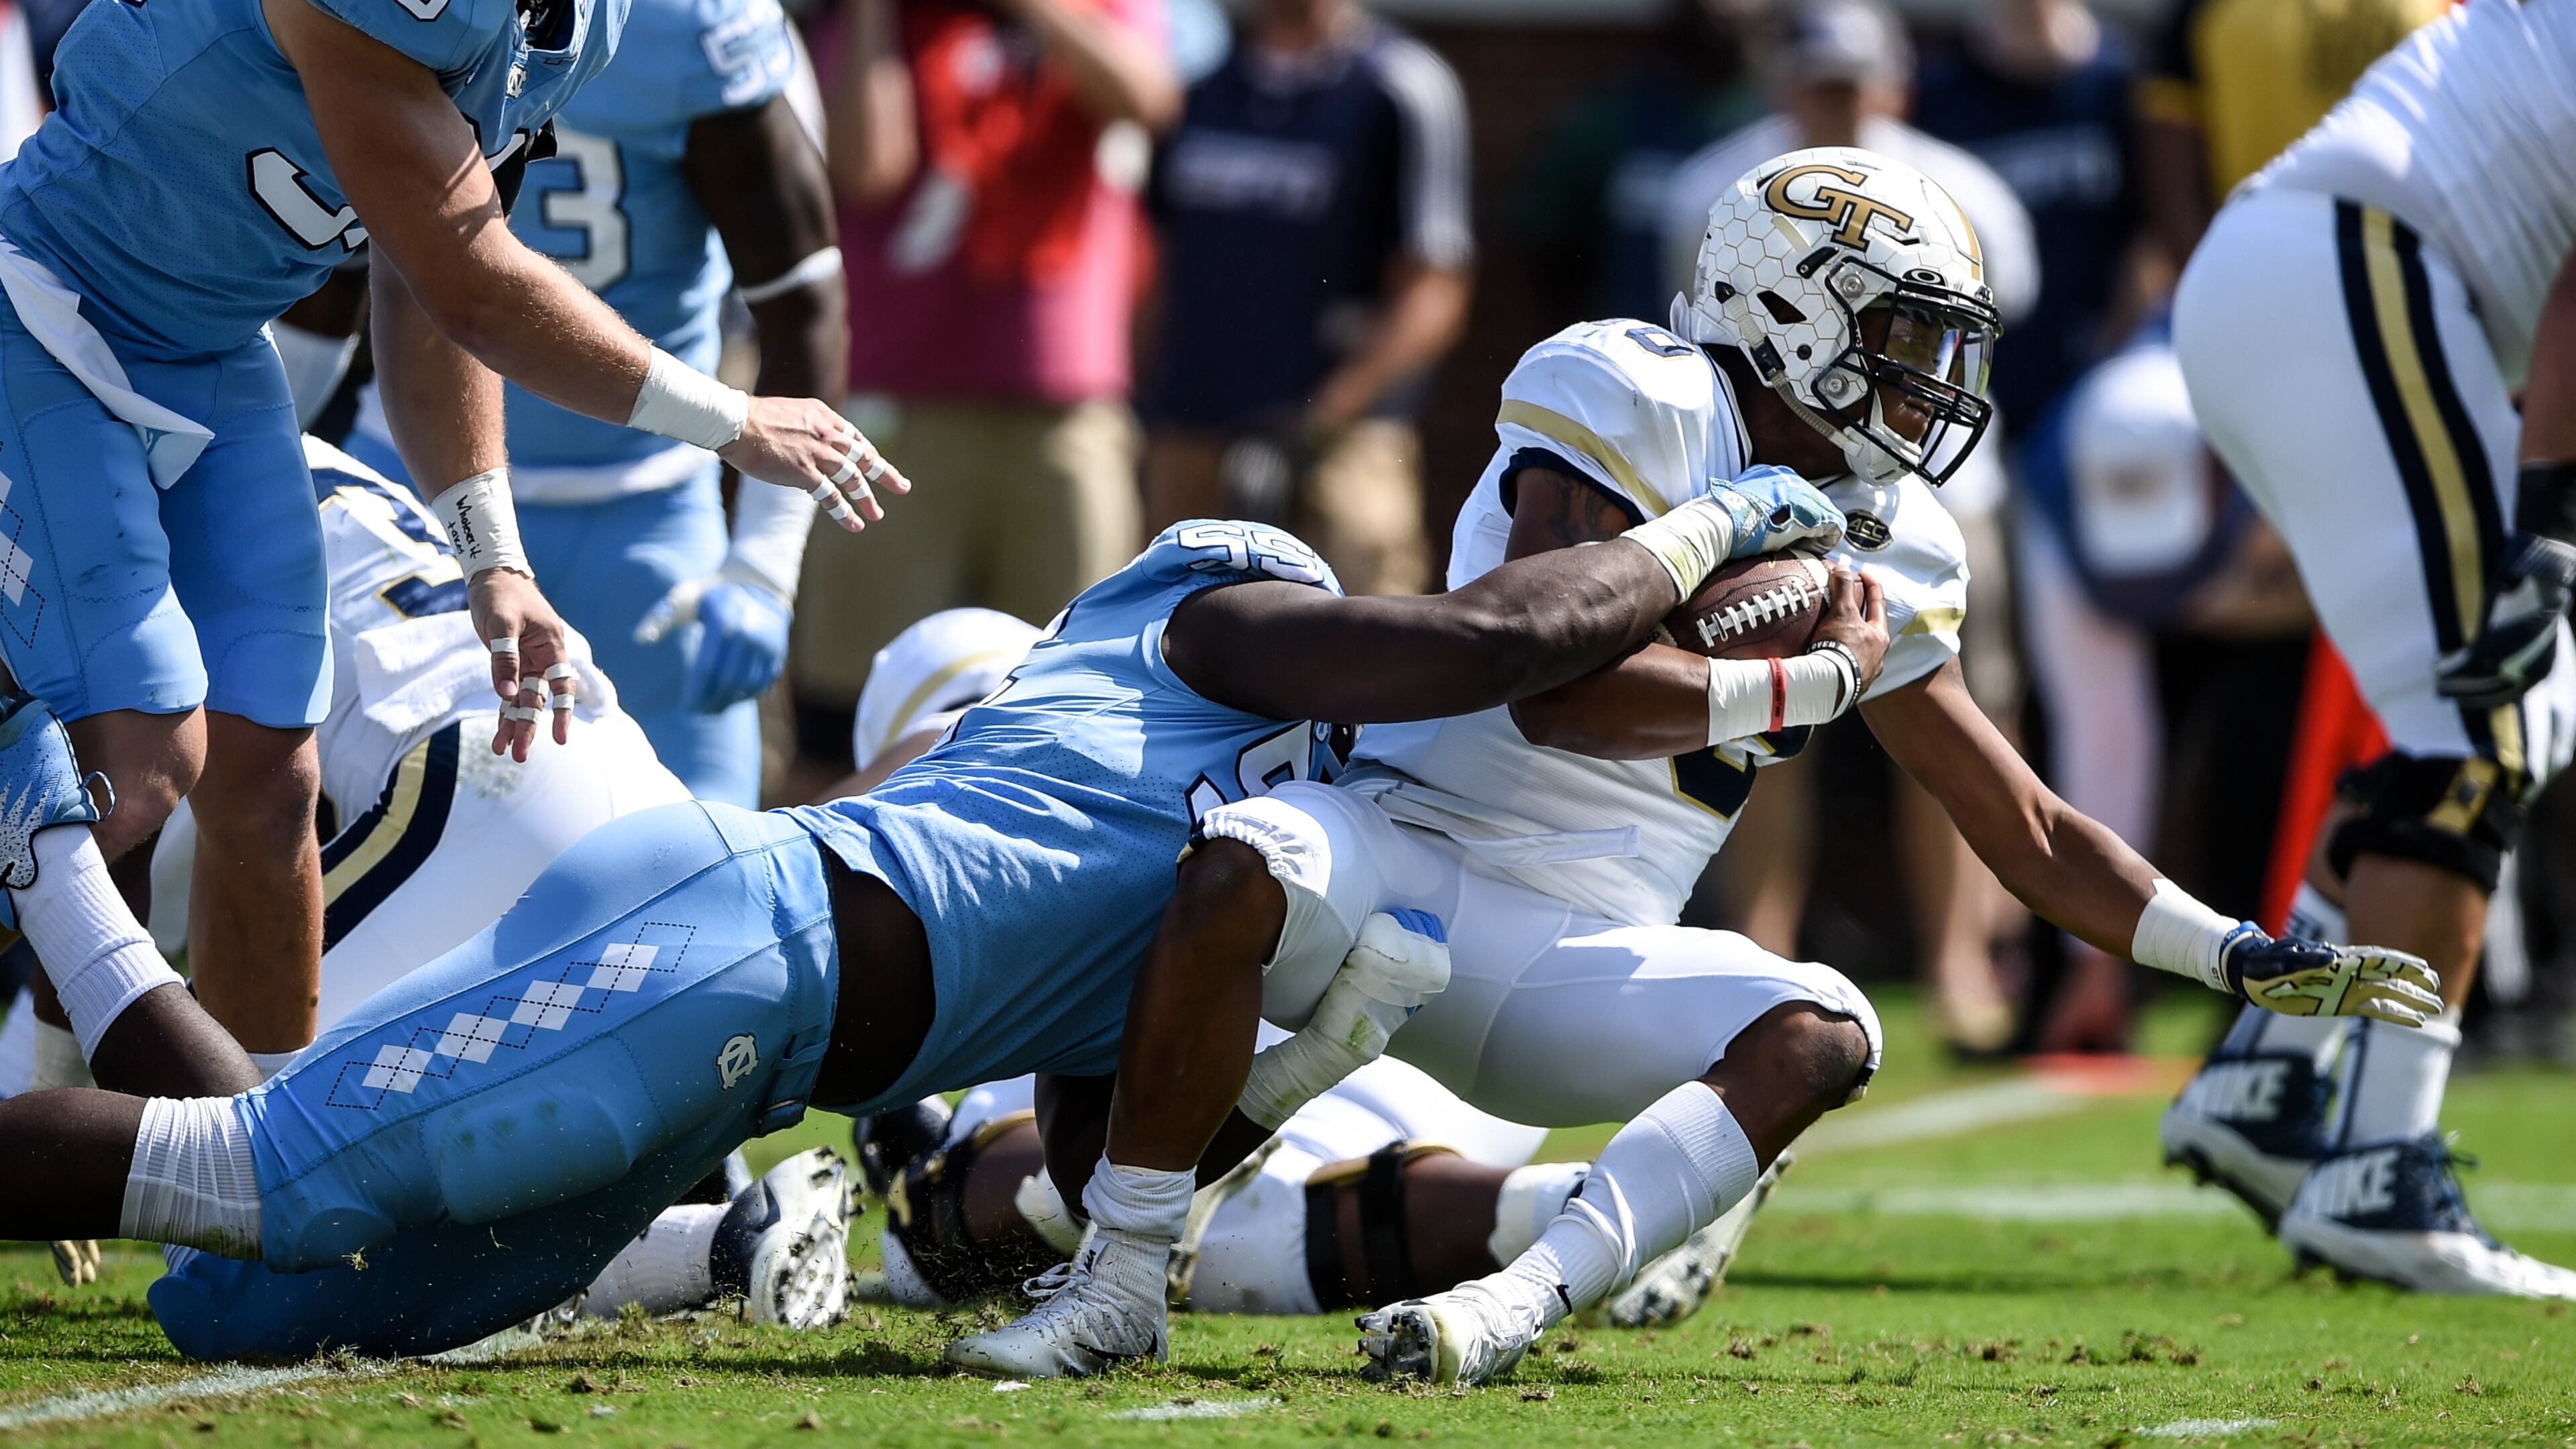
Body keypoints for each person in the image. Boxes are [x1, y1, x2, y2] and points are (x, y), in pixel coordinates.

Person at [951, 149, 2439, 1385]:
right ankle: (1117, 1285)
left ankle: (1509, 1308)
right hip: (1401, 843)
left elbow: (2027, 824)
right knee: (1246, 860)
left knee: (1825, 1027)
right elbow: (1558, 701)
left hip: (1572, 951)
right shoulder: (1636, 392)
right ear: (1790, 306)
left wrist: (2237, 953)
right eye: (1901, 336)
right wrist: (1808, 679)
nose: (1928, 383)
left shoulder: (1893, 537)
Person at [0, 477, 1818, 1361]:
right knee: (264, 1175)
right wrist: (1722, 523)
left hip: (739, 1063)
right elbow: (1483, 643)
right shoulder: (1213, 622)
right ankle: (51, 855)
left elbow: (1106, 1169)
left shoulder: (1234, 860)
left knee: (245, 1309)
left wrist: (1296, 1066)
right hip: (733, 943)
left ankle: (60, 898)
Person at [0, 0, 893, 1080]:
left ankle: (252, 1196)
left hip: (212, 347)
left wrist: (490, 552)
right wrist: (736, 421)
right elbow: (477, 291)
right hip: (47, 305)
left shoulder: (578, 24)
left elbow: (432, 280)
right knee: (144, 758)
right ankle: (56, 1079)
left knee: (273, 775)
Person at [2165, 0, 2576, 1297]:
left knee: (2528, 705)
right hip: (2350, 263)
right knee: (2486, 720)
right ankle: (2381, 1170)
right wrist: (2554, 520)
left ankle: (2272, 1070)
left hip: (2323, 275)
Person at [343, 0, 851, 808]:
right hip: (421, 481)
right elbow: (341, 272)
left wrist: (763, 564)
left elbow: (800, 295)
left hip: (644, 517)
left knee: (700, 857)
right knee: (396, 841)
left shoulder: (689, 23)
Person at [1659, 0, 2040, 1053]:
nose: (1839, 101)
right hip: (1772, 490)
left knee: (1954, 724)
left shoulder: (1964, 189)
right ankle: (1762, 945)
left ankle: (1960, 958)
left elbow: (1998, 347)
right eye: (1821, 79)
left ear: (1895, 83)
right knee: (1762, 718)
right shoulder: (1720, 190)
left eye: (1855, 80)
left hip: (1938, 498)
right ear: (1784, 80)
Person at [792, 0, 1175, 796]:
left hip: (1063, 407)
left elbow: (1147, 99)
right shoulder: (867, 20)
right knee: (845, 719)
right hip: (895, 406)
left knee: (1081, 711)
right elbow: (868, 169)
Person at [1135, 0, 1474, 598]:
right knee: (1173, 644)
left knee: (1366, 642)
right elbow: (1154, 266)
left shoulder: (1401, 86)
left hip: (1344, 439)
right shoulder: (1201, 89)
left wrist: (1322, 417)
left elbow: (1435, 289)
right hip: (1192, 430)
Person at [1518, 0, 1772, 329]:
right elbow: (1550, 241)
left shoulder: (1785, 124)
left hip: (1756, 364)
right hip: (1631, 352)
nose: (1725, 12)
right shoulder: (1617, 119)